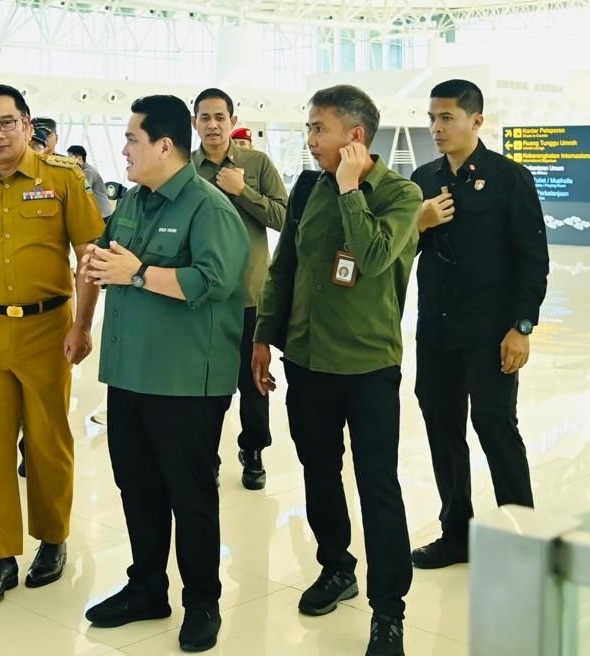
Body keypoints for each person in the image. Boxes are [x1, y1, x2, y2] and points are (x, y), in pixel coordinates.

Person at [253, 84, 421, 656]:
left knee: (378, 485)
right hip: (307, 361)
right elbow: (284, 268)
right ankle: (336, 566)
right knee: (318, 471)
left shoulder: (400, 193)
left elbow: (373, 259)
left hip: (369, 365)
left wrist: (351, 190)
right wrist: (263, 338)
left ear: (354, 136)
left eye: (318, 129)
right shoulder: (307, 188)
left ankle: (388, 611)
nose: (309, 141)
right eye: (307, 129)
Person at [81, 94, 248, 653]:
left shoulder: (209, 208)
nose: (124, 149)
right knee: (138, 488)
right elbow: (112, 255)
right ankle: (146, 587)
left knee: (191, 495)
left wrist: (136, 274)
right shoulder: (132, 200)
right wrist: (97, 261)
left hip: (184, 382)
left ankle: (202, 602)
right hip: (128, 373)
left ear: (164, 145)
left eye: (132, 139)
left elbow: (212, 283)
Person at [0, 84, 103, 607]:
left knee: (48, 441)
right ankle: (0, 557)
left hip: (47, 331)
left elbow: (88, 254)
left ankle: (52, 540)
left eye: (7, 122)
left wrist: (81, 325)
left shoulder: (62, 180)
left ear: (27, 125)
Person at [409, 79, 549, 569]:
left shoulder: (510, 177)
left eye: (446, 118)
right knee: (442, 428)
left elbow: (532, 259)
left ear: (476, 120)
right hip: (437, 330)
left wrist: (522, 327)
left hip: (491, 332)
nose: (436, 127)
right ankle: (457, 533)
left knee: (494, 426)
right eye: (431, 118)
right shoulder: (423, 179)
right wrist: (418, 222)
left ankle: (521, 538)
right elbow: (402, 251)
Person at [191, 87, 287, 490]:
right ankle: (204, 454)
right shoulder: (184, 167)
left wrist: (242, 190)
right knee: (204, 384)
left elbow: (285, 218)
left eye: (220, 117)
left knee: (254, 382)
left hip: (249, 296)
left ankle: (253, 451)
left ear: (232, 120)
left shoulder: (256, 163)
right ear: (194, 122)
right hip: (200, 298)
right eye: (205, 117)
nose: (213, 125)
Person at [66, 143, 115, 219]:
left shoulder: (88, 171)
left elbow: (82, 190)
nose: (68, 161)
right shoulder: (80, 170)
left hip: (103, 214)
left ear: (79, 158)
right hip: (96, 213)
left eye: (70, 158)